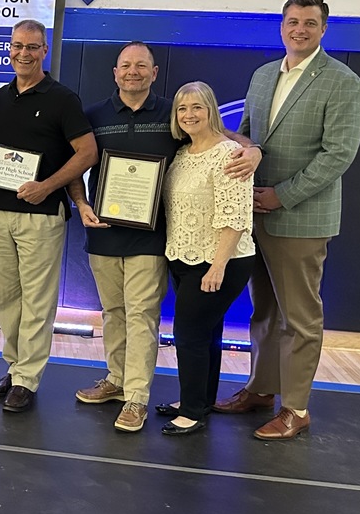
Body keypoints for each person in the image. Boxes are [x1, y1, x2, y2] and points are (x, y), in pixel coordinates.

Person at [69, 43, 263, 432]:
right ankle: (117, 378)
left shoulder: (172, 115)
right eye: (126, 66)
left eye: (142, 66)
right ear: (115, 72)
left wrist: (255, 150)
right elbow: (74, 161)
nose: (133, 72)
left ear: (154, 72)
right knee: (114, 314)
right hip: (105, 237)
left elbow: (225, 139)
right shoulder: (93, 115)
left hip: (152, 241)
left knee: (143, 316)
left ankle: (137, 397)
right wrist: (80, 201)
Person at [215, 0, 360, 440]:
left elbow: (338, 155)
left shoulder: (342, 81)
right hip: (255, 214)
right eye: (293, 21)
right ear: (282, 26)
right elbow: (250, 140)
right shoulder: (263, 76)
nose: (300, 29)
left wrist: (282, 196)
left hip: (300, 218)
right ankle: (261, 390)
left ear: (324, 29)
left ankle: (295, 409)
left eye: (310, 23)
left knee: (299, 318)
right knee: (263, 311)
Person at [0, 19, 98, 413]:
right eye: (17, 46)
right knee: (5, 300)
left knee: (37, 301)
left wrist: (47, 186)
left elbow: (87, 153)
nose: (23, 53)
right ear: (9, 49)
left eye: (32, 47)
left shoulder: (62, 99)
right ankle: (15, 368)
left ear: (44, 51)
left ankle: (28, 380)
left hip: (42, 214)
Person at [160, 82, 255, 436]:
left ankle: (192, 411)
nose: (189, 115)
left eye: (197, 107)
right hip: (183, 256)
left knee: (189, 335)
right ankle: (199, 399)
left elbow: (235, 217)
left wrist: (218, 266)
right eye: (182, 109)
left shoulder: (230, 154)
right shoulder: (184, 154)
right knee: (207, 333)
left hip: (219, 261)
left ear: (211, 109)